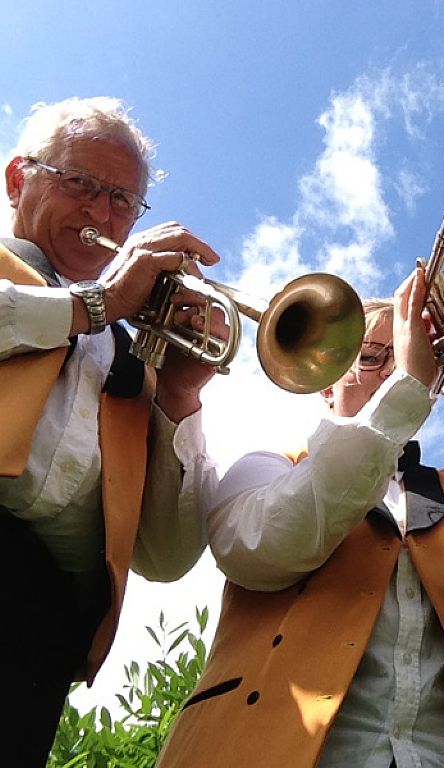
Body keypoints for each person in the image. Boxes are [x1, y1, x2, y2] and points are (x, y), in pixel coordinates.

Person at [155, 266, 444, 768]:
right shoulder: (267, 467)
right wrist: (406, 389)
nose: (393, 372)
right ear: (324, 383)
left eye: (407, 355)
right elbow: (260, 552)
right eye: (372, 356)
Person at [1, 96, 221, 764]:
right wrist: (100, 304)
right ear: (17, 179)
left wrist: (179, 393)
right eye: (80, 183)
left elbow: (165, 557)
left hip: (31, 643)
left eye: (122, 200)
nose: (101, 214)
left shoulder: (133, 361)